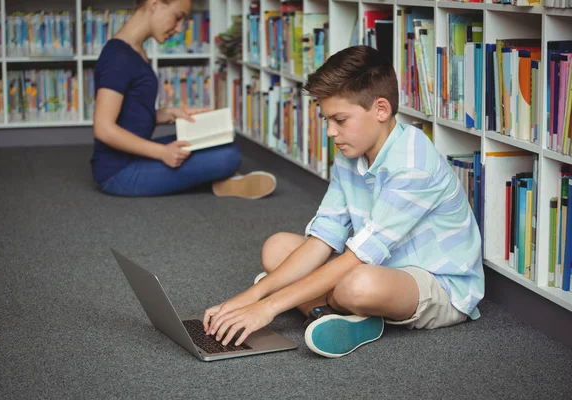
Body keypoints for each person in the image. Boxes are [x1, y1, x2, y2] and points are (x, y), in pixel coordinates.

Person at [201, 45, 485, 358]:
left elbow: (356, 260)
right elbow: (323, 237)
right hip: (374, 264)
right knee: (277, 247)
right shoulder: (350, 155)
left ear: (380, 109)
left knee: (357, 285)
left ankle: (317, 305)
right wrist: (250, 297)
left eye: (339, 119)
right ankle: (346, 314)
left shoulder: (414, 164)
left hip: (435, 285)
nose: (330, 132)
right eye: (326, 120)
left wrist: (267, 306)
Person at [90, 0, 276, 198]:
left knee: (217, 143)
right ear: (155, 4)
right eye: (178, 17)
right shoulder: (119, 56)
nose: (179, 29)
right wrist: (162, 153)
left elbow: (130, 115)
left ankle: (222, 181)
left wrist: (169, 114)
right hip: (118, 173)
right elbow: (103, 128)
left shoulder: (134, 50)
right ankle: (222, 179)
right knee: (229, 157)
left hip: (136, 155)